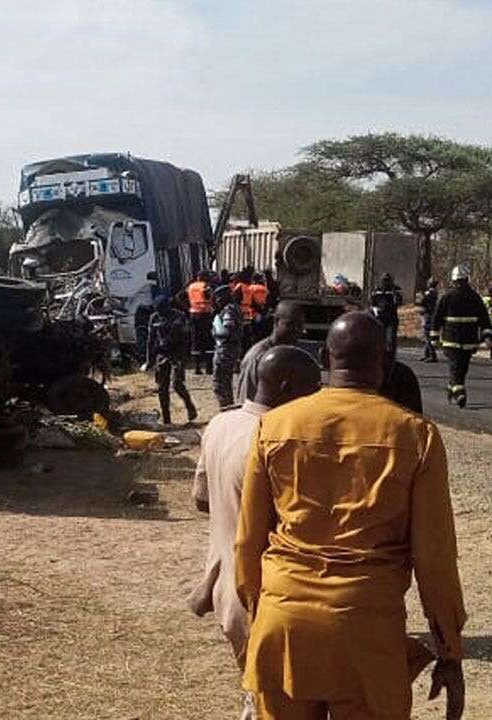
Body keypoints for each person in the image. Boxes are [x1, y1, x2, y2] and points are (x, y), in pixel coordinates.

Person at [235, 311, 466, 720]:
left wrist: (259, 620)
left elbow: (249, 541)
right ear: (386, 361)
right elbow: (435, 559)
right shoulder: (415, 436)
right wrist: (449, 648)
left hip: (284, 620)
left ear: (324, 359)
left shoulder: (273, 426)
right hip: (367, 628)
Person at [189, 346, 324, 720]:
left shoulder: (220, 424)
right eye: (312, 387)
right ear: (285, 385)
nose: (317, 397)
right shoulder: (279, 440)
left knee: (257, 697)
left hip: (225, 592)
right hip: (263, 601)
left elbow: (202, 500)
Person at [434, 265, 492, 408]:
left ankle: (452, 388)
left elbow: (437, 318)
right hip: (460, 341)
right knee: (457, 367)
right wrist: (487, 336)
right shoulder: (472, 297)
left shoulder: (452, 297)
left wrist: (434, 338)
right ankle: (460, 394)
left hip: (458, 341)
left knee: (460, 369)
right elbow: (485, 319)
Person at [235, 301, 306, 404]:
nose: (297, 330)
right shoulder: (258, 356)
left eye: (300, 325)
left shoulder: (294, 355)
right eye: (290, 324)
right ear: (276, 321)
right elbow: (246, 400)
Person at [144, 295, 198, 425]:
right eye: (158, 309)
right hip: (162, 356)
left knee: (177, 384)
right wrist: (148, 360)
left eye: (162, 309)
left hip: (177, 354)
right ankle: (166, 418)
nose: (160, 312)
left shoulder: (179, 316)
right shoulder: (154, 318)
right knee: (162, 388)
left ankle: (189, 406)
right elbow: (150, 340)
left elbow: (185, 337)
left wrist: (186, 357)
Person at [211, 284, 247, 410]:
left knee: (220, 384)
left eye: (218, 298)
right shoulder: (233, 308)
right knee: (225, 383)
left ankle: (227, 410)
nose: (216, 301)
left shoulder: (228, 310)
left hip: (226, 350)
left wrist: (215, 331)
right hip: (229, 349)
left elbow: (227, 331)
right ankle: (228, 408)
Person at [187, 271, 216, 375]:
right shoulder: (205, 286)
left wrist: (188, 308)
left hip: (193, 314)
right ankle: (209, 368)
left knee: (196, 340)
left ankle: (197, 367)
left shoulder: (191, 286)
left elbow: (180, 296)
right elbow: (209, 297)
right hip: (205, 314)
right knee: (208, 340)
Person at [370, 273, 403, 357]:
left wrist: (396, 296)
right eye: (384, 280)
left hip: (391, 317)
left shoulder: (395, 290)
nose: (386, 282)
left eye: (387, 280)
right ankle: (381, 353)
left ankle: (391, 354)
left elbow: (399, 302)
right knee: (380, 337)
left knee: (391, 338)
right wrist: (375, 310)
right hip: (380, 317)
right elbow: (372, 303)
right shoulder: (377, 289)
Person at [417, 277, 440, 363]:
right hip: (428, 315)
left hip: (429, 316)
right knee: (427, 336)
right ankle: (427, 354)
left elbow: (423, 302)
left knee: (428, 336)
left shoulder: (431, 293)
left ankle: (432, 355)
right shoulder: (433, 293)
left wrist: (421, 297)